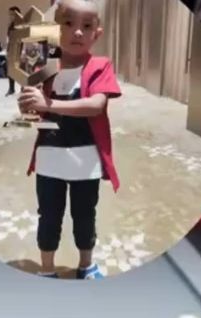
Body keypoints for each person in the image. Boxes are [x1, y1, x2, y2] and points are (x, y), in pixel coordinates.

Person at [18, 0, 123, 280]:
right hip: (49, 159)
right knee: (48, 216)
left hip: (85, 161)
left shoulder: (100, 66)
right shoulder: (43, 66)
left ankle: (86, 265)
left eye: (86, 26)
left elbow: (96, 105)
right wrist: (28, 103)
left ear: (96, 34)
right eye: (68, 23)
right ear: (55, 29)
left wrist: (49, 104)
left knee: (85, 215)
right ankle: (47, 268)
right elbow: (34, 109)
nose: (77, 32)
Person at [6, 6, 23, 96]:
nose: (11, 16)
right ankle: (11, 88)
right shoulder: (11, 25)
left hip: (20, 49)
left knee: (21, 70)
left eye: (12, 14)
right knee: (11, 69)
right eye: (10, 14)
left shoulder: (22, 24)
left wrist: (23, 51)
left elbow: (25, 38)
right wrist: (7, 50)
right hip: (12, 49)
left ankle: (23, 88)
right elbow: (8, 38)